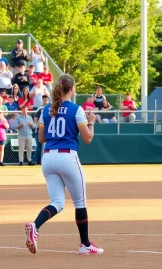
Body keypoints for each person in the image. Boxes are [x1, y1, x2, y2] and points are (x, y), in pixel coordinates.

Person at [25, 74, 104, 255]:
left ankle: (35, 226)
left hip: (48, 158)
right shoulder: (76, 109)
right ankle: (85, 244)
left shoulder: (46, 109)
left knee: (57, 203)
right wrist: (91, 123)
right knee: (80, 202)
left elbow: (41, 138)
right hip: (67, 157)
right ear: (72, 89)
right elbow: (88, 138)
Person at [31, 95, 50, 165]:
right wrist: (40, 125)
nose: (45, 100)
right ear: (42, 100)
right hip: (39, 130)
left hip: (48, 130)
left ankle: (42, 160)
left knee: (46, 146)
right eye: (44, 99)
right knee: (39, 146)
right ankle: (34, 160)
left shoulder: (51, 108)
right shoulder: (41, 109)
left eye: (46, 99)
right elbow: (35, 119)